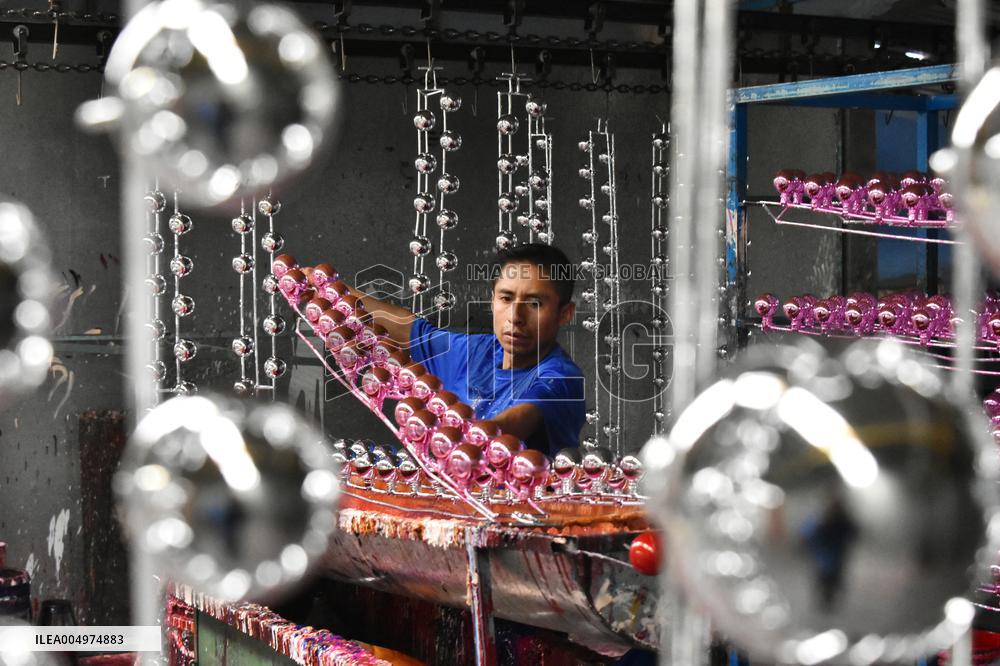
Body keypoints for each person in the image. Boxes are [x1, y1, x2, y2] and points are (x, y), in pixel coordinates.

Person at [348, 243, 585, 455]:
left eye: (534, 304)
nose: (515, 317)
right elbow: (405, 326)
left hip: (515, 504)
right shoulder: (474, 352)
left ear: (564, 314)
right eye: (506, 298)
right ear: (493, 301)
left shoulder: (562, 378)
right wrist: (324, 289)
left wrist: (456, 437)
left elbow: (515, 422)